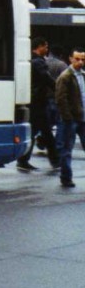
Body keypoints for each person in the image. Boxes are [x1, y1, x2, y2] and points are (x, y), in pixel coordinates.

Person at [18, 37, 58, 170]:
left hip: (33, 101)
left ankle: (23, 160)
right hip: (39, 102)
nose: (46, 50)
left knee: (34, 131)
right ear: (39, 47)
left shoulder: (29, 59)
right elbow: (47, 79)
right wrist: (59, 89)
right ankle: (56, 161)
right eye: (45, 47)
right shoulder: (39, 62)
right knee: (46, 132)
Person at [54, 47, 85, 188]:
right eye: (77, 59)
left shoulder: (82, 75)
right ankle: (66, 177)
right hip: (71, 119)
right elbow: (60, 98)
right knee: (67, 148)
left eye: (83, 59)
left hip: (82, 117)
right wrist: (67, 117)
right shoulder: (65, 76)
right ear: (70, 59)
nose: (80, 62)